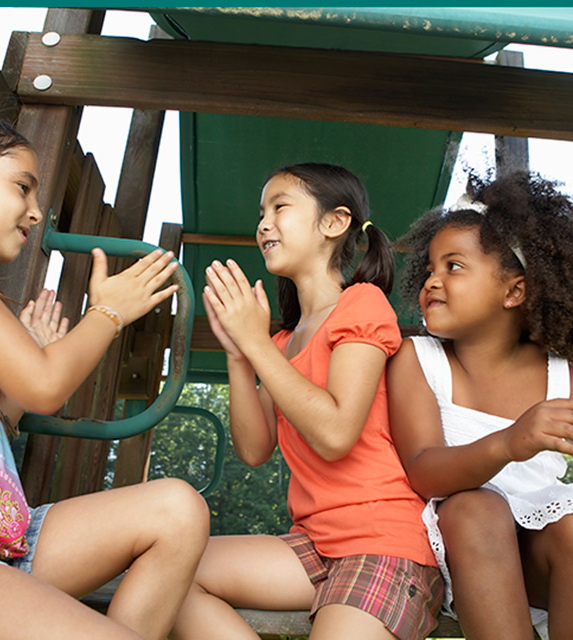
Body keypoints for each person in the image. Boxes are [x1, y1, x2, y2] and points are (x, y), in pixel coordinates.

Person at [0, 106, 209, 640]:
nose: (36, 212)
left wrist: (30, 359)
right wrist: (107, 313)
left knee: (177, 509)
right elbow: (45, 384)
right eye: (22, 187)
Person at [172, 162, 443, 640]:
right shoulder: (279, 343)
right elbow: (254, 450)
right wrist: (239, 354)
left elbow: (336, 433)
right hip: (313, 545)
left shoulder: (361, 303)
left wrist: (254, 343)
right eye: (261, 213)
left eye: (280, 207)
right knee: (167, 571)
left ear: (334, 223)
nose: (263, 224)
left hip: (383, 544)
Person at [387, 170, 573, 640]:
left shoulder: (562, 371)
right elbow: (422, 470)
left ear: (514, 291)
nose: (431, 280)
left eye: (454, 266)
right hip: (459, 543)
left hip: (539, 555)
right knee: (476, 509)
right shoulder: (418, 361)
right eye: (429, 268)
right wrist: (511, 441)